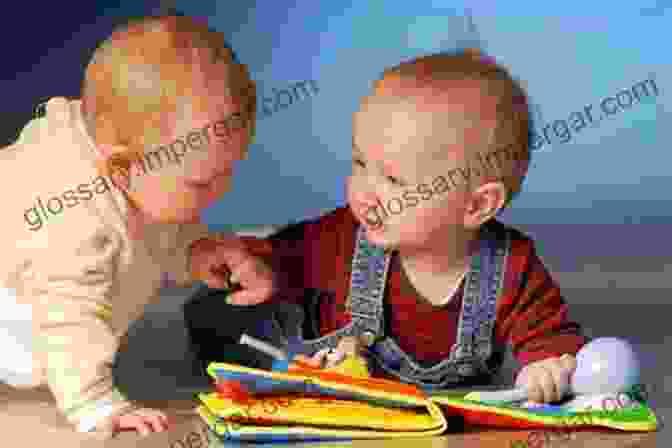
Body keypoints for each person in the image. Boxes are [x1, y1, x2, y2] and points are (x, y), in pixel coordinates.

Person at [189, 50, 586, 404]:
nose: (365, 193)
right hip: (323, 386)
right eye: (360, 164)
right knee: (229, 313)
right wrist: (254, 265)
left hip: (417, 415)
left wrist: (548, 367)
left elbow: (553, 338)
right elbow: (280, 255)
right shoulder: (340, 238)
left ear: (477, 204)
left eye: (394, 181)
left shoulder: (511, 267)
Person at [0, 15, 255, 438]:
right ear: (121, 168)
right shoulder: (72, 220)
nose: (222, 192)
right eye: (203, 182)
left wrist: (196, 252)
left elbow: (159, 231)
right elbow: (67, 317)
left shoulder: (139, 173)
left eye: (230, 172)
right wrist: (96, 403)